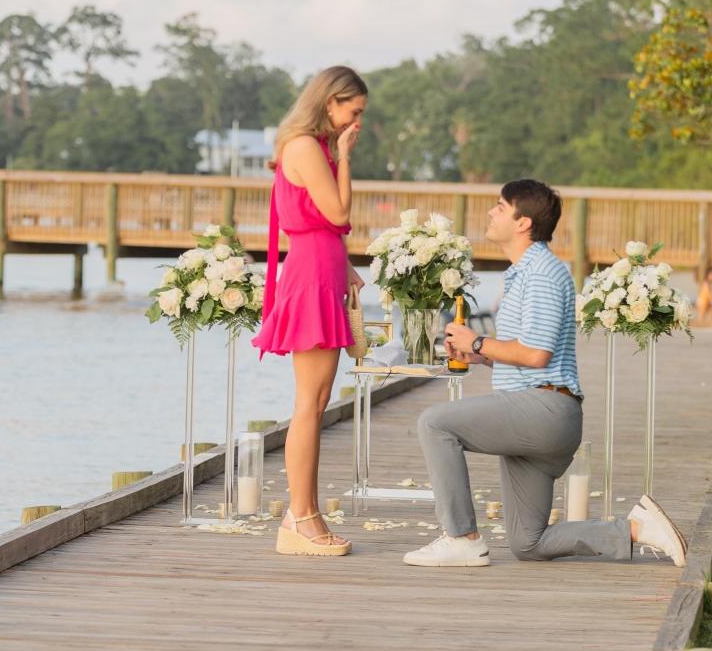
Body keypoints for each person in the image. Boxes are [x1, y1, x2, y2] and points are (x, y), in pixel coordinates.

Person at [403, 179, 687, 568]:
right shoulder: (524, 272)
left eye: (500, 207)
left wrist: (479, 341)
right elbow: (530, 352)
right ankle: (636, 529)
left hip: (543, 411)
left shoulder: (541, 273)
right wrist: (482, 356)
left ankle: (461, 537)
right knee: (529, 542)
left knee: (434, 423)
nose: (490, 213)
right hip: (537, 412)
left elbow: (537, 355)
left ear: (523, 222)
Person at [251, 65, 367, 556]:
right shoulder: (305, 147)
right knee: (309, 404)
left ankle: (303, 514)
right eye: (352, 111)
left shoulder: (310, 146)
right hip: (311, 275)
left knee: (316, 403)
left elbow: (321, 223)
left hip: (321, 269)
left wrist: (346, 267)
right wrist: (345, 157)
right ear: (329, 102)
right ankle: (300, 518)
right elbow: (338, 214)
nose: (356, 123)